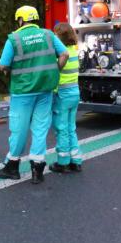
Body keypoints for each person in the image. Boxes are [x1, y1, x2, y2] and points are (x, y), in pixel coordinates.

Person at [0, 6, 69, 184]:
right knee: (40, 129)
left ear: (20, 20)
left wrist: (9, 71)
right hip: (45, 89)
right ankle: (37, 169)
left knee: (19, 129)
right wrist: (55, 69)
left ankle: (12, 167)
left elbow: (3, 65)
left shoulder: (14, 39)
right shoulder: (49, 35)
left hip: (23, 92)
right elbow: (64, 54)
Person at [48, 23, 83, 173]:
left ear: (60, 38)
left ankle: (63, 162)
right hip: (74, 92)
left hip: (62, 95)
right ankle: (76, 161)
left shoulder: (61, 55)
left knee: (61, 129)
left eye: (55, 35)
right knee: (71, 128)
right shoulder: (74, 51)